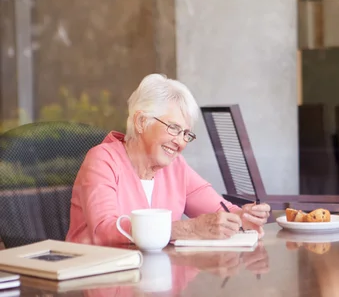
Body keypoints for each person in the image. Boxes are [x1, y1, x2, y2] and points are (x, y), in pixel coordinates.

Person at [66, 74, 271, 245]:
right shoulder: (103, 160)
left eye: (186, 134)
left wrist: (243, 217)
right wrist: (187, 228)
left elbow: (220, 211)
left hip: (155, 281)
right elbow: (105, 231)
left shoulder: (176, 167)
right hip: (99, 280)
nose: (180, 142)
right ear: (141, 122)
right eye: (173, 128)